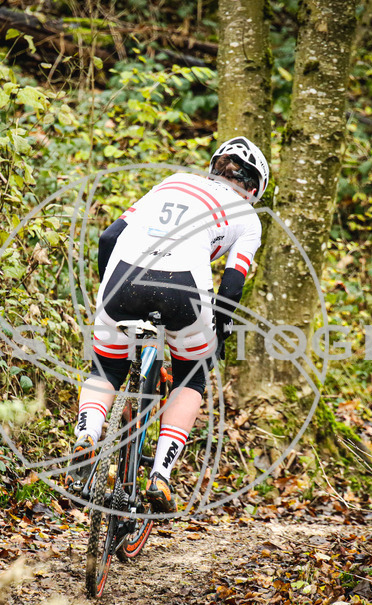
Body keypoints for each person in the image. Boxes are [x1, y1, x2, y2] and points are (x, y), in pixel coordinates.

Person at [65, 136, 270, 513]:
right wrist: (219, 333)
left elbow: (109, 236)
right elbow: (233, 282)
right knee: (192, 375)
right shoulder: (248, 217)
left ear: (214, 167)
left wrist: (109, 296)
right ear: (253, 189)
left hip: (122, 281)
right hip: (184, 290)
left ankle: (86, 434)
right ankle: (160, 475)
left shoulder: (172, 182)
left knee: (106, 367)